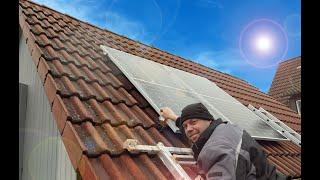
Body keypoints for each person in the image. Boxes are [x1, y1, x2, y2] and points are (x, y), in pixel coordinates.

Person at [160, 103, 290, 180]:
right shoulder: (223, 129)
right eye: (185, 126)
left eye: (193, 122)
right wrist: (173, 117)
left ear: (209, 120)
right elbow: (193, 130)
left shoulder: (218, 148)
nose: (188, 129)